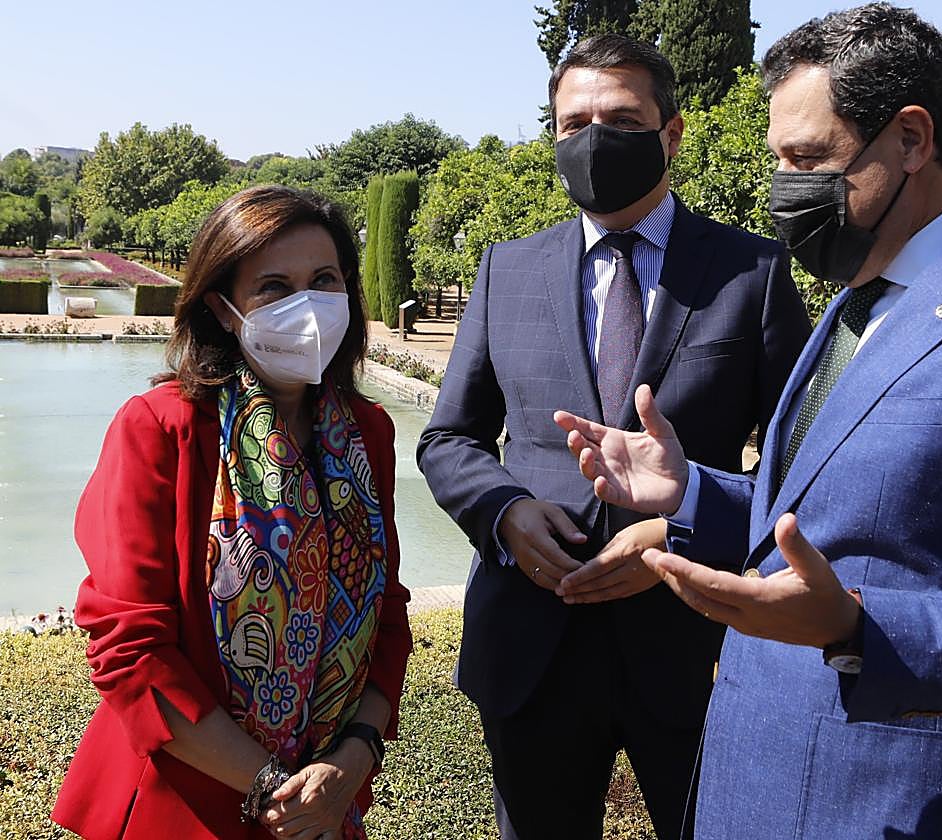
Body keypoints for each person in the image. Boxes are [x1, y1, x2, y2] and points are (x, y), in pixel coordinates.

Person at [554, 5, 942, 839]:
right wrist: (688, 494)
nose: (786, 188)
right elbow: (836, 516)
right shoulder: (853, 303)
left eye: (810, 159)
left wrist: (857, 627)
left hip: (886, 809)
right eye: (779, 160)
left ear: (911, 139)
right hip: (748, 785)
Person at [417, 34, 810, 840]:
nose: (593, 138)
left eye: (621, 118)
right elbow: (449, 438)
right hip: (531, 640)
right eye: (573, 122)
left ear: (671, 133)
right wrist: (504, 514)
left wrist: (684, 529)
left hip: (692, 639)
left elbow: (803, 458)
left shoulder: (752, 271)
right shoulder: (506, 269)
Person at [52, 185, 413, 839]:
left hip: (326, 802)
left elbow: (384, 610)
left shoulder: (366, 434)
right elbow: (131, 649)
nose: (305, 307)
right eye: (273, 288)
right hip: (187, 800)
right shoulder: (164, 429)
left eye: (323, 280)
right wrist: (274, 788)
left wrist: (349, 764)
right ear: (222, 308)